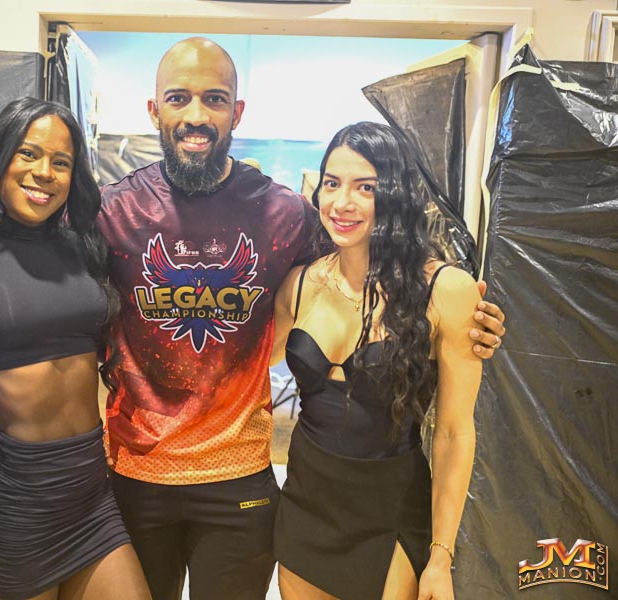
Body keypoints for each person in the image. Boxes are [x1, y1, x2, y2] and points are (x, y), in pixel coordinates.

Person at [97, 37, 506, 600]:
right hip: (167, 478)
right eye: (332, 184)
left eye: (214, 99)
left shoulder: (285, 215)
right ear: (154, 109)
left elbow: (453, 422)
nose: (343, 202)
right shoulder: (114, 210)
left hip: (267, 485)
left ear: (237, 111)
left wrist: (473, 318)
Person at [0, 98, 150, 600]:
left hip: (89, 488)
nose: (44, 173)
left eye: (61, 162)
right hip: (18, 496)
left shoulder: (82, 247)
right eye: (28, 154)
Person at [270, 121, 482, 600]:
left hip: (389, 513)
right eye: (332, 183)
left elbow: (454, 433)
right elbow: (242, 362)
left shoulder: (445, 290)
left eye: (365, 187)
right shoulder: (299, 284)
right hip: (305, 504)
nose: (342, 202)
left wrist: (441, 557)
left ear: (395, 195)